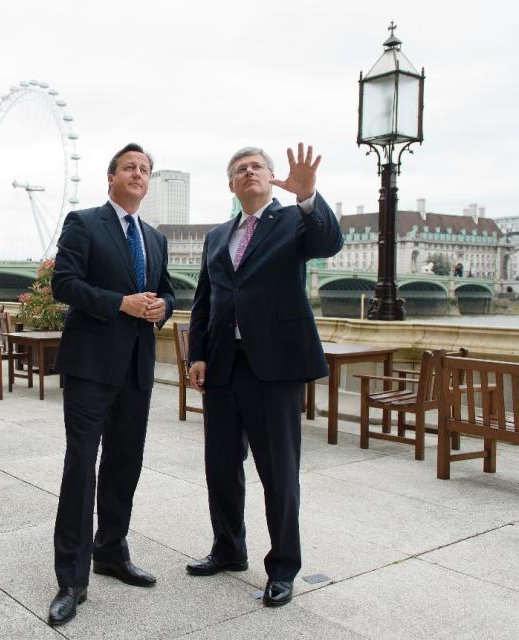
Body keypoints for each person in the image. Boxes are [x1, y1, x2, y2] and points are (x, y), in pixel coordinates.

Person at [185, 144, 342, 607]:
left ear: (272, 178)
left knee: (279, 473)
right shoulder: (217, 236)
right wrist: (198, 354)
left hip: (274, 368)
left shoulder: (293, 222)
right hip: (223, 367)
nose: (248, 172)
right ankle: (228, 549)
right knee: (221, 467)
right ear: (231, 185)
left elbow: (328, 242)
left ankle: (283, 568)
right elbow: (204, 301)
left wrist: (308, 195)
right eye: (239, 169)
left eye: (257, 167)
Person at [47, 143, 175, 626]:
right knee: (82, 468)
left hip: (137, 369)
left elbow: (166, 291)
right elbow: (64, 284)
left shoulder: (155, 239)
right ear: (111, 178)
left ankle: (111, 552)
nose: (138, 174)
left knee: (125, 465)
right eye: (129, 167)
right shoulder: (84, 223)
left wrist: (161, 306)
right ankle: (71, 579)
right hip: (90, 367)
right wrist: (119, 302)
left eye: (144, 169)